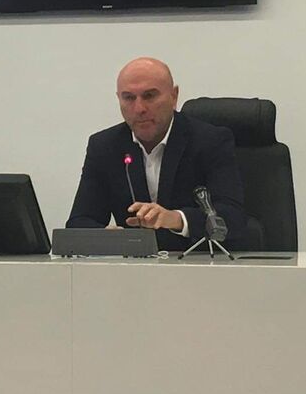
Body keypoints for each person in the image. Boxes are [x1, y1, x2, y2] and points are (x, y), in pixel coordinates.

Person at [66, 56, 246, 250]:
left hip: (196, 260)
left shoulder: (210, 141)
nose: (139, 108)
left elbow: (232, 217)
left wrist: (176, 219)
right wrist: (106, 236)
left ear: (174, 96)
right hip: (134, 263)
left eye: (149, 96)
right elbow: (79, 221)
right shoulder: (104, 146)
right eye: (129, 98)